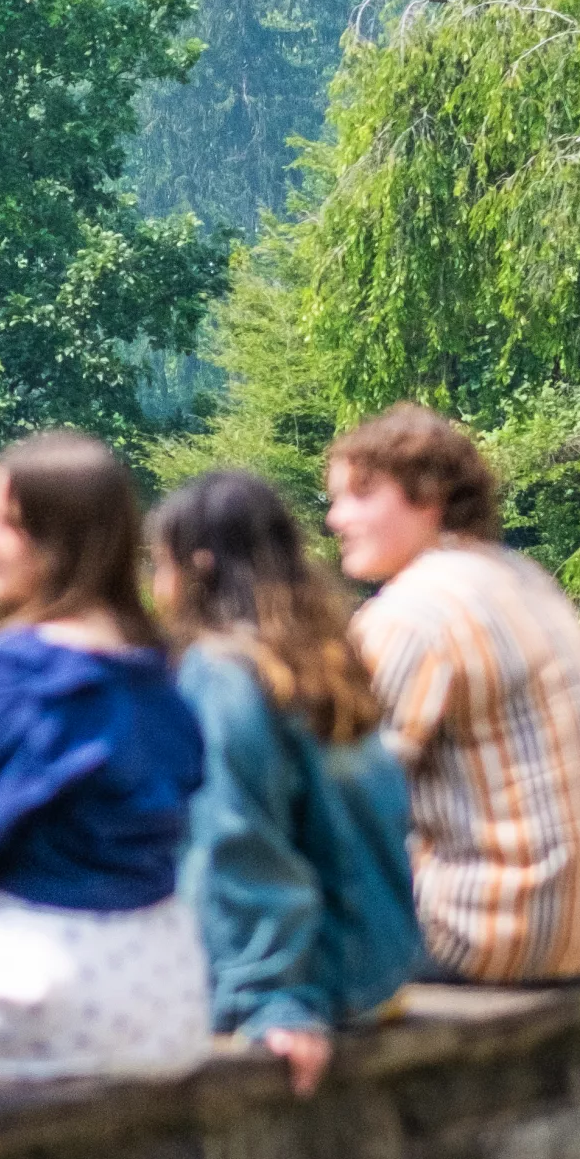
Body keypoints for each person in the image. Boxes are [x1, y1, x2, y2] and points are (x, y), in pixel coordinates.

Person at [323, 404, 580, 984]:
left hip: (490, 936)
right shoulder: (524, 579)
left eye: (360, 494)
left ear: (429, 496)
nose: (336, 518)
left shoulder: (411, 614)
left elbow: (336, 796)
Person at [0, 431, 209, 1084]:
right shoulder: (160, 672)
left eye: (1, 521)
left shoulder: (12, 672)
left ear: (60, 541)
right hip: (170, 998)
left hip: (44, 997)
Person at [151, 470, 422, 1096]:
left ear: (198, 567)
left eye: (159, 565)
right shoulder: (324, 659)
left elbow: (239, 840)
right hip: (377, 970)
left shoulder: (221, 672)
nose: (155, 586)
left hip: (312, 985)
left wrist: (271, 1002)